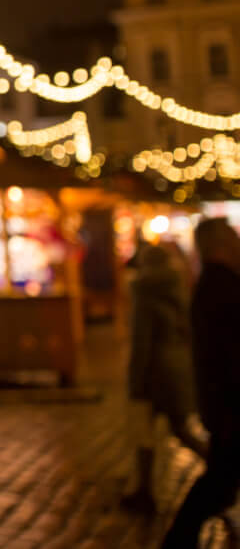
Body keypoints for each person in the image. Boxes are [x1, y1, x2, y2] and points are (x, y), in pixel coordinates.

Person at [162, 218, 240, 547]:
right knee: (219, 481)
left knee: (221, 480)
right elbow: (229, 353)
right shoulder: (221, 287)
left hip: (223, 403)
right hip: (229, 405)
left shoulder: (214, 285)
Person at [120, 244, 205, 513]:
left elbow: (141, 341)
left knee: (148, 430)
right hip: (176, 368)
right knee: (179, 428)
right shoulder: (177, 289)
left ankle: (145, 491)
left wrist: (135, 380)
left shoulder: (144, 291)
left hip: (155, 372)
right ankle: (143, 489)